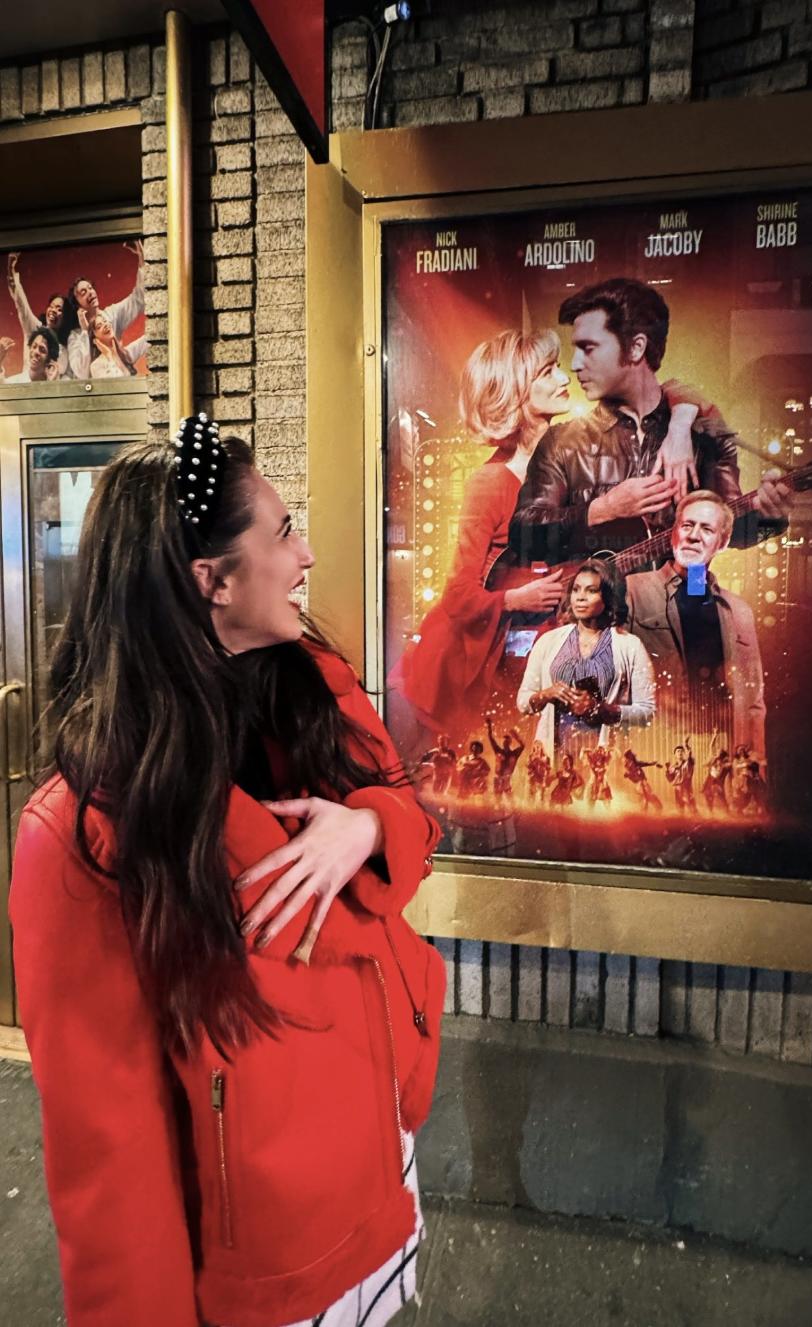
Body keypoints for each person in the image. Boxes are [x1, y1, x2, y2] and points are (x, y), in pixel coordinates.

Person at [10, 416, 444, 1327]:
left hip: (379, 1144)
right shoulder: (82, 833)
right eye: (284, 532)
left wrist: (364, 829)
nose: (308, 554)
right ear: (212, 580)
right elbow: (109, 1158)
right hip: (266, 1240)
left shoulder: (309, 678)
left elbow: (409, 816)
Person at [389, 328, 698, 746]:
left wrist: (681, 426)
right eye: (548, 372)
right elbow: (456, 595)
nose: (564, 378)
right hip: (478, 668)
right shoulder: (490, 483)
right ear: (515, 392)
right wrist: (518, 598)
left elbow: (674, 390)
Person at [509, 277, 792, 567]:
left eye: (589, 348)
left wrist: (769, 519)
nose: (575, 364)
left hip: (677, 604)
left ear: (635, 348)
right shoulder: (562, 441)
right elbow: (522, 535)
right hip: (592, 609)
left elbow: (732, 531)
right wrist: (603, 509)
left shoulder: (704, 436)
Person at [625, 489, 766, 760]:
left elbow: (754, 700)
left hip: (720, 751)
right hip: (656, 748)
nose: (693, 535)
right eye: (687, 525)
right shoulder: (633, 591)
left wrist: (757, 759)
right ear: (673, 533)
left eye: (707, 529)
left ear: (722, 543)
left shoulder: (739, 611)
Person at [517, 558, 655, 762]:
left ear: (609, 596)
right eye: (576, 590)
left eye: (591, 591)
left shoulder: (630, 646)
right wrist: (547, 693)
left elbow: (647, 712)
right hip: (553, 760)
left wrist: (602, 710)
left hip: (604, 761)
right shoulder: (548, 642)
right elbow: (523, 702)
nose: (580, 598)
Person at [66, 238, 145, 380]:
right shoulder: (76, 337)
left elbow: (138, 299)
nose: (90, 292)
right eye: (83, 292)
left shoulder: (111, 315)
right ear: (77, 304)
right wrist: (85, 332)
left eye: (90, 288)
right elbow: (81, 372)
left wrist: (141, 257)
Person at [6, 251, 73, 378]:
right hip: (25, 389)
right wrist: (10, 270)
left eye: (59, 309)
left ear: (65, 318)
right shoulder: (35, 329)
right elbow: (21, 304)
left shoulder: (63, 351)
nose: (53, 310)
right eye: (51, 306)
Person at [88, 308, 147, 378]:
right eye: (99, 326)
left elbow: (146, 341)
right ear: (95, 340)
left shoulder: (124, 354)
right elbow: (114, 385)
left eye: (105, 321)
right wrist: (108, 356)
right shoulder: (96, 365)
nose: (106, 325)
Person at [485, 714, 525, 798]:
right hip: (498, 779)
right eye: (504, 741)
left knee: (510, 801)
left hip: (507, 780)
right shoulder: (498, 750)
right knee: (497, 800)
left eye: (507, 741)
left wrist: (516, 736)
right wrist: (489, 727)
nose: (505, 742)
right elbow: (491, 738)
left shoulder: (514, 754)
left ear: (510, 743)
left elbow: (523, 746)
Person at [702, 730, 732, 813]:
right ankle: (710, 809)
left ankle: (726, 810)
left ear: (722, 754)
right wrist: (714, 735)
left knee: (721, 795)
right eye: (718, 750)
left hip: (718, 780)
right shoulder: (713, 758)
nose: (718, 750)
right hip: (711, 778)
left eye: (720, 750)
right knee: (707, 793)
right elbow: (711, 746)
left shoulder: (724, 762)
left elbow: (728, 765)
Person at [665, 737, 696, 814]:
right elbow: (670, 780)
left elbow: (690, 754)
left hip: (687, 790)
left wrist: (686, 745)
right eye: (678, 751)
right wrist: (667, 769)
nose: (680, 753)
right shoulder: (672, 767)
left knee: (692, 810)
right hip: (678, 790)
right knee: (680, 810)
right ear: (675, 754)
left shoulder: (688, 763)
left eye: (682, 751)